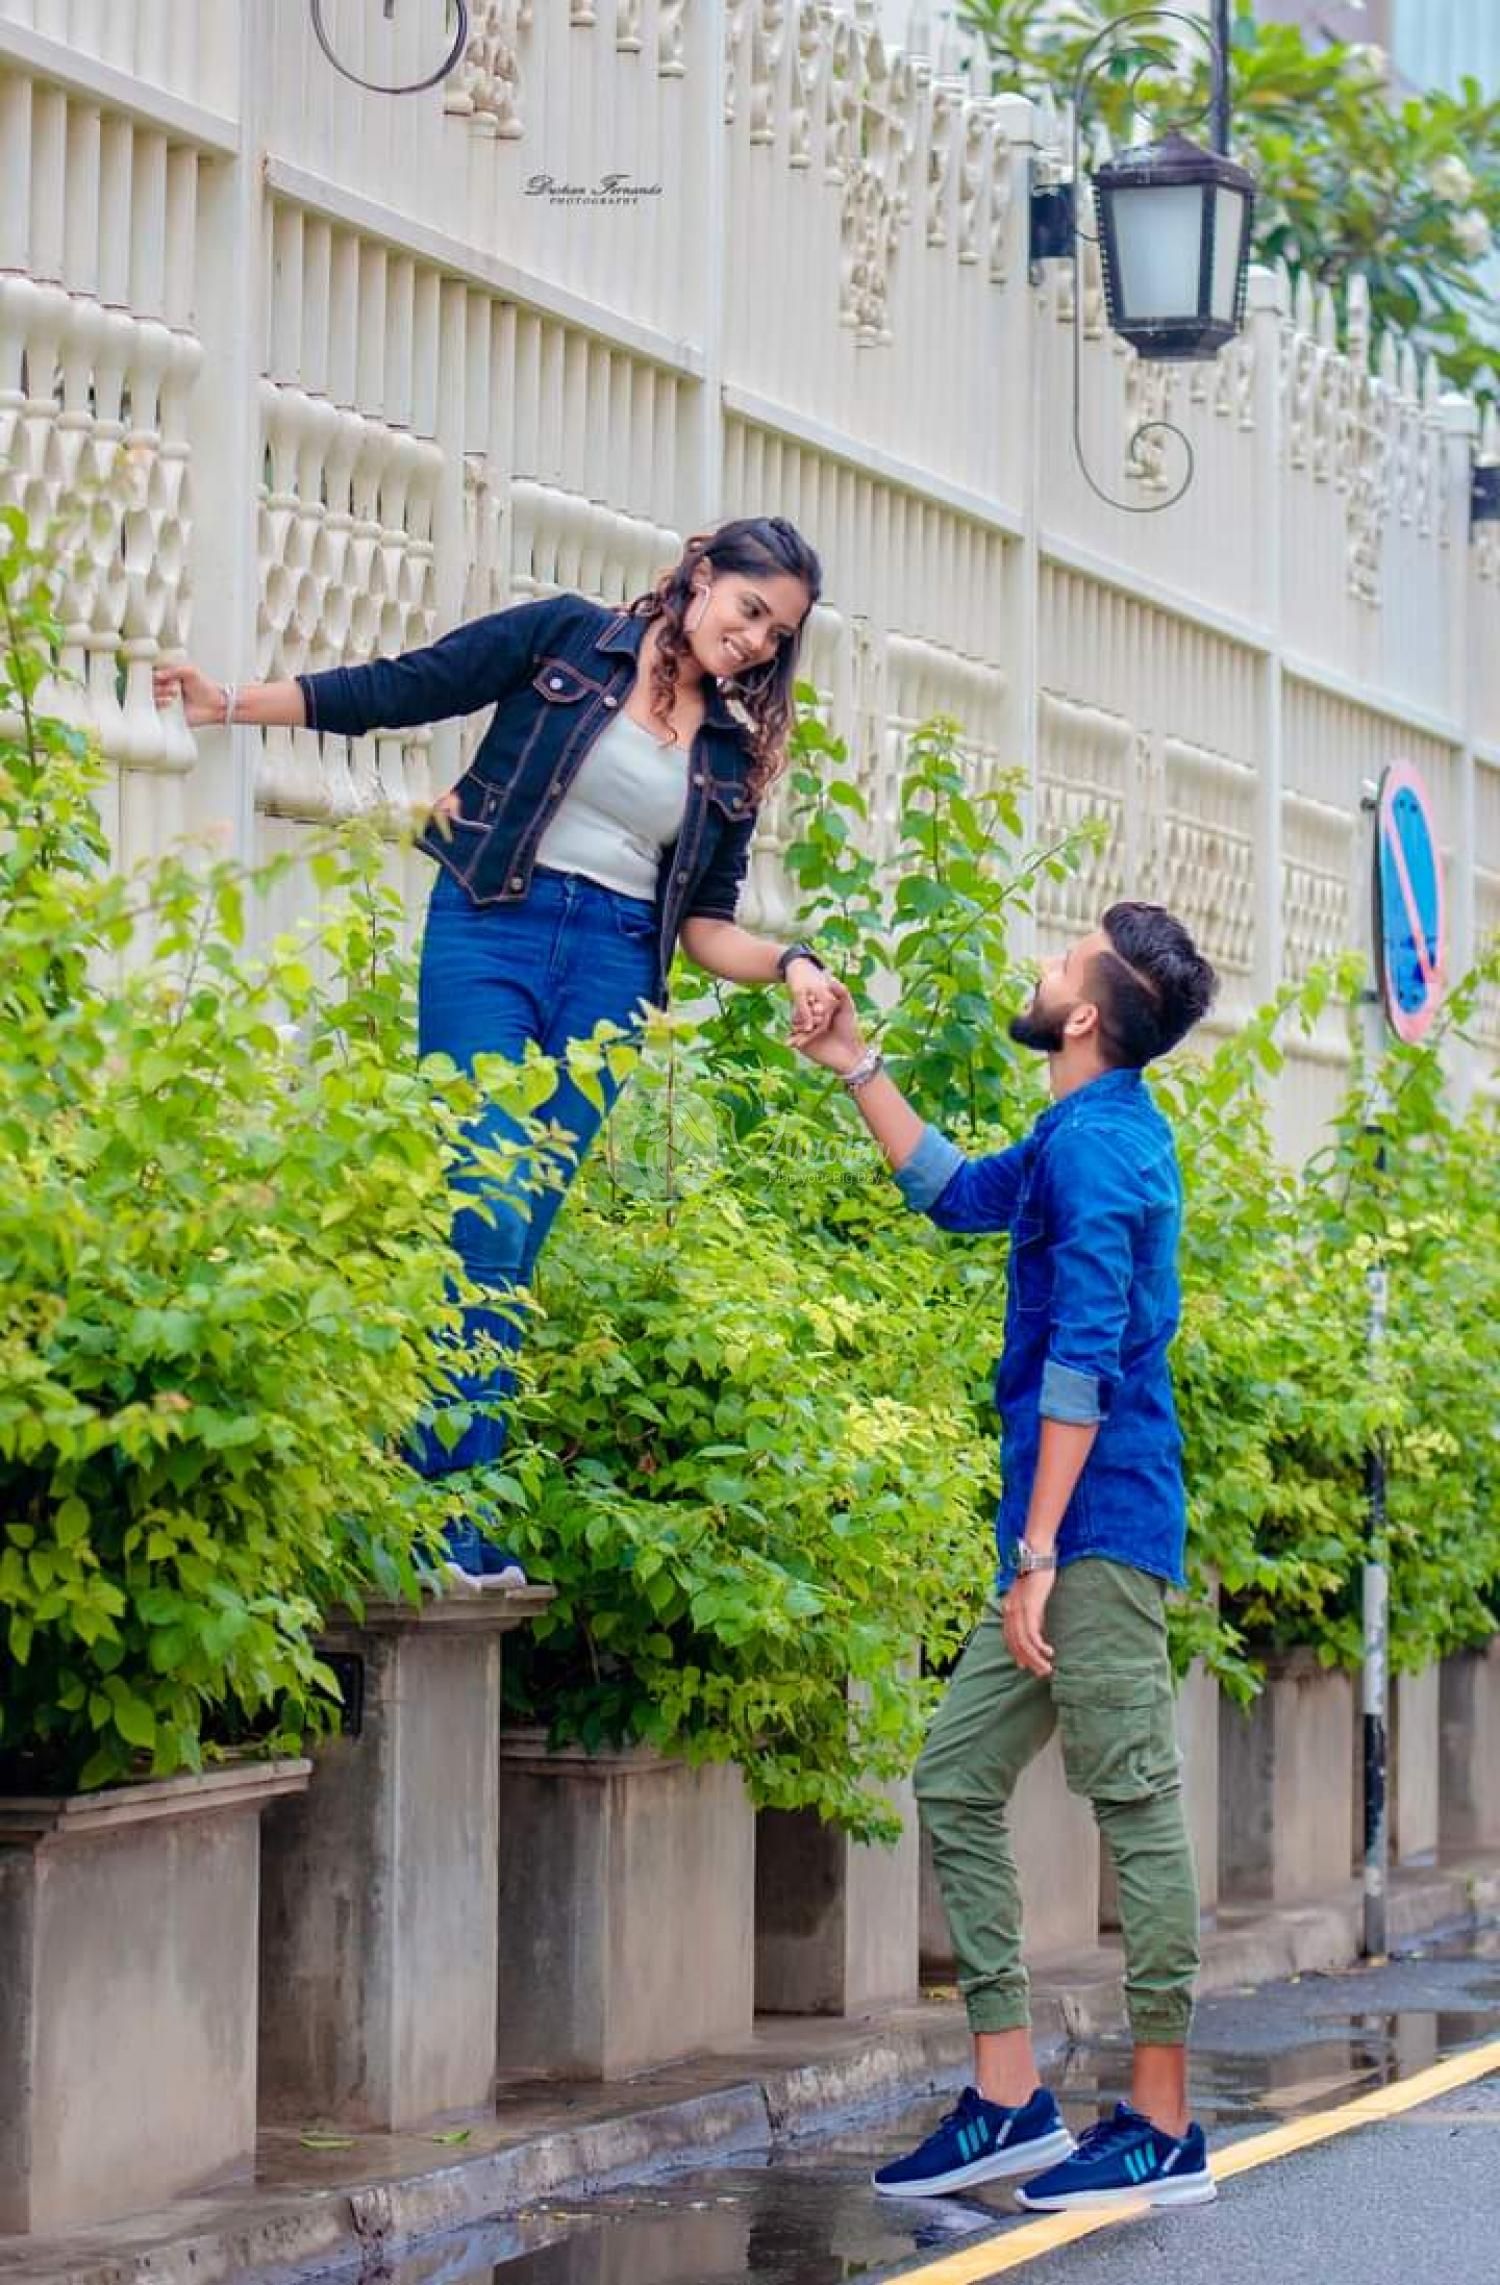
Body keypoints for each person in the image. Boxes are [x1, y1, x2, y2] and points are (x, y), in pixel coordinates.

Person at [155, 516, 845, 1578]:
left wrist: (793, 961)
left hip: (613, 970)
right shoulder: (567, 637)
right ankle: (443, 1528)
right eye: (750, 609)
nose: (755, 640)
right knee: (485, 1201)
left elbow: (707, 925)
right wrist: (233, 703)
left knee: (513, 1251)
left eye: (777, 634)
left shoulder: (729, 751)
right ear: (702, 575)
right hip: (491, 926)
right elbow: (411, 684)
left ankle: (440, 1514)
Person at [793, 903, 1220, 2213]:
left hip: (1094, 1531)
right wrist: (857, 1062)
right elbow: (952, 1193)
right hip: (1059, 1534)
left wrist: (1036, 1552)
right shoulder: (1075, 1132)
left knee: (1134, 1799)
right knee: (957, 1774)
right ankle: (1007, 2094)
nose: (1039, 966)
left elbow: (1085, 1363)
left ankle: (1163, 2123)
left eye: (1060, 958)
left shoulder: (1102, 1152)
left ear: (1085, 1013)